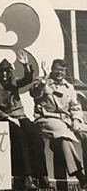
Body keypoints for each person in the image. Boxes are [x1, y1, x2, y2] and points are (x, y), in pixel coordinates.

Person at [0, 50, 53, 189]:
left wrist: (26, 65)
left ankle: (42, 176)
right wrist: (8, 117)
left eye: (7, 71)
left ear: (10, 72)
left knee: (35, 135)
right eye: (2, 72)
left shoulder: (14, 83)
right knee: (19, 138)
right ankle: (27, 177)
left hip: (20, 116)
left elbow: (27, 79)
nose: (4, 74)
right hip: (4, 119)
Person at [30, 59, 87, 188]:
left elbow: (75, 107)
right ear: (51, 69)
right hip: (46, 119)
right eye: (57, 69)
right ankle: (80, 175)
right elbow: (34, 93)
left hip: (66, 120)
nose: (60, 72)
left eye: (62, 70)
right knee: (64, 135)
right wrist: (44, 78)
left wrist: (77, 120)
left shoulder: (69, 87)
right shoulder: (42, 81)